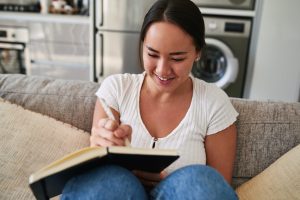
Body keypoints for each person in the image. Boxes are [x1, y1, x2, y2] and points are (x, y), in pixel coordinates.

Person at [61, 0, 239, 199]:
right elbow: (100, 170)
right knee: (107, 180)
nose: (162, 70)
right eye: (152, 54)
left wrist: (168, 180)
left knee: (198, 181)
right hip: (122, 192)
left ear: (197, 52)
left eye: (177, 58)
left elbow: (219, 187)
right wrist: (99, 146)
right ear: (142, 45)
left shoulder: (214, 103)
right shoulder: (117, 89)